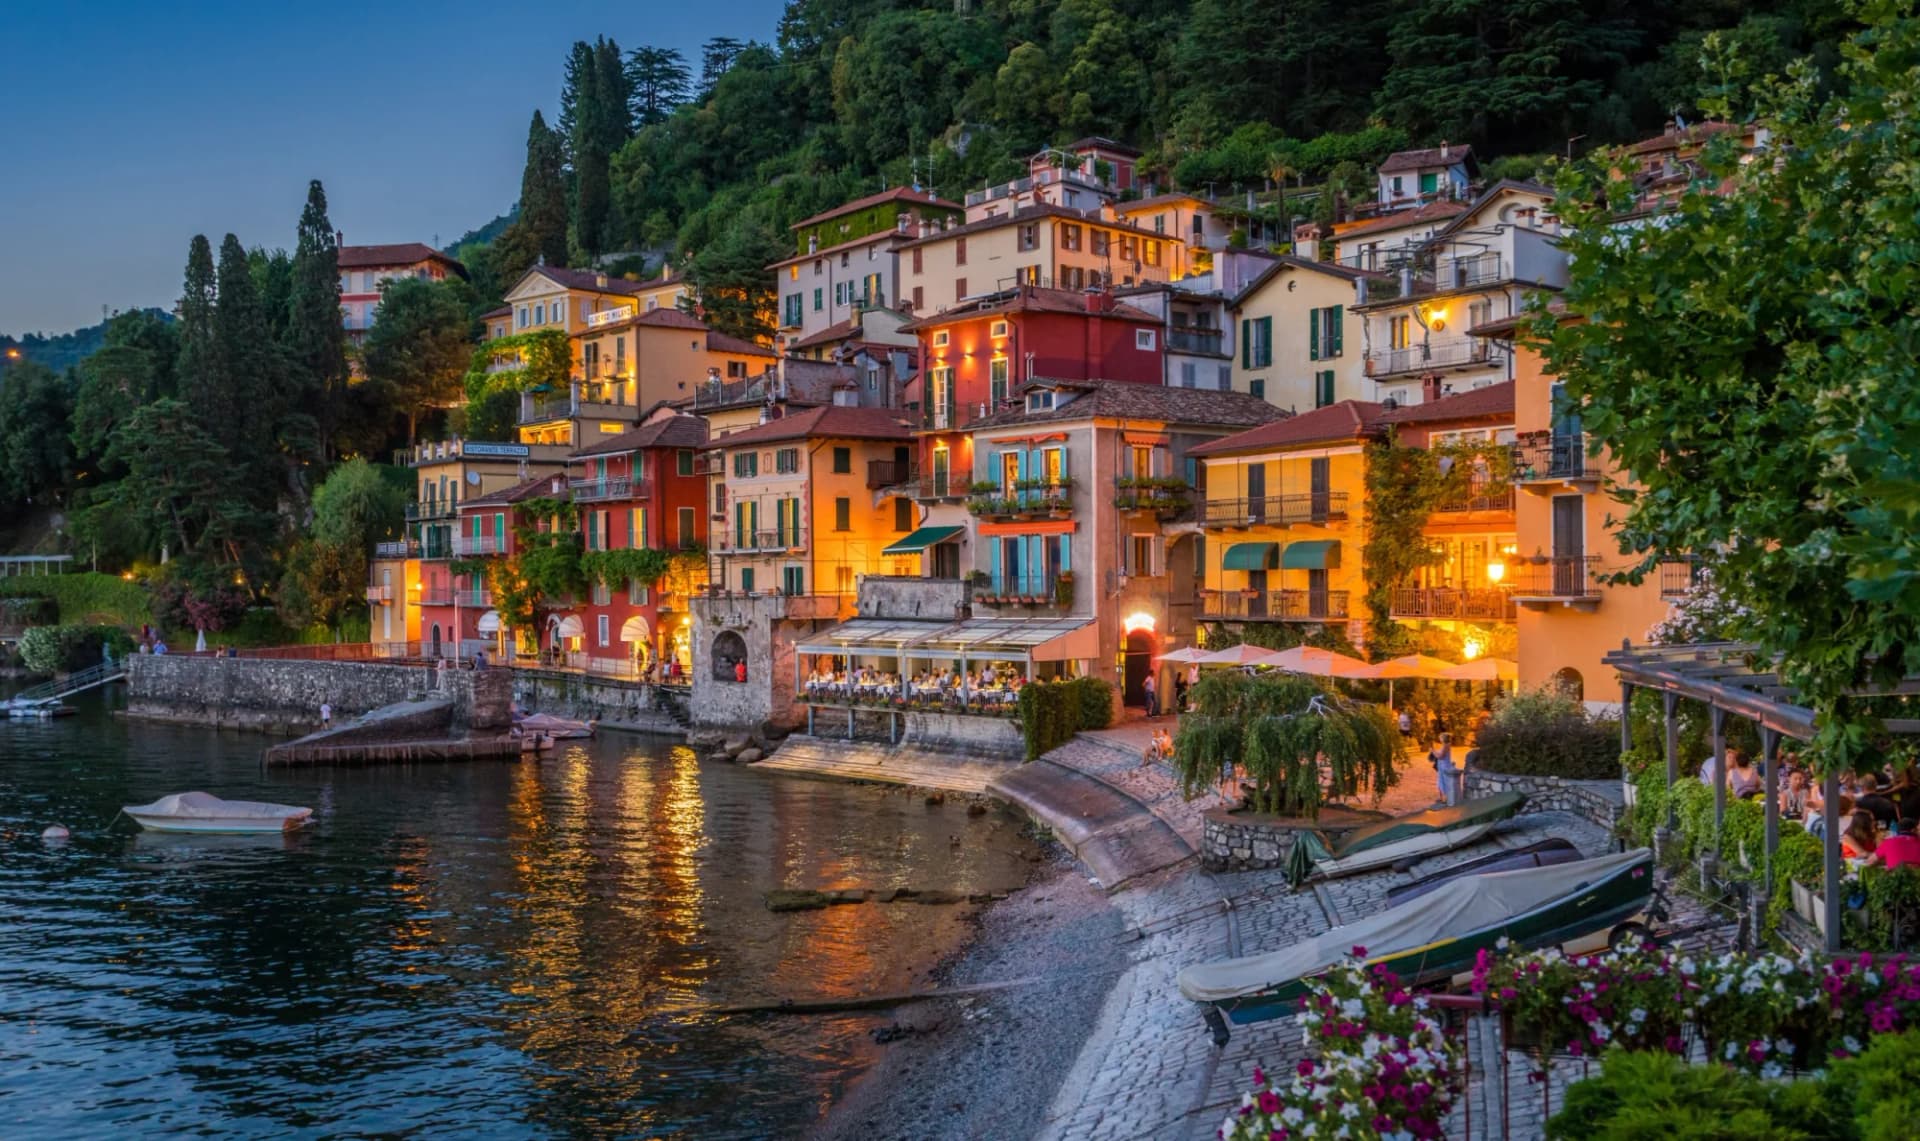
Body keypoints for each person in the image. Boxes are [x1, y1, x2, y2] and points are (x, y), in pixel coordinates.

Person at [1431, 733, 1460, 807]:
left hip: (1444, 766)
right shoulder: (1446, 745)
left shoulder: (1445, 746)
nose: (1439, 739)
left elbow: (1440, 756)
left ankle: (1444, 799)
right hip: (1443, 765)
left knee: (1443, 782)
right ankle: (1443, 798)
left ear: (1443, 738)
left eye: (1440, 738)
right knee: (1441, 781)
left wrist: (1433, 751)